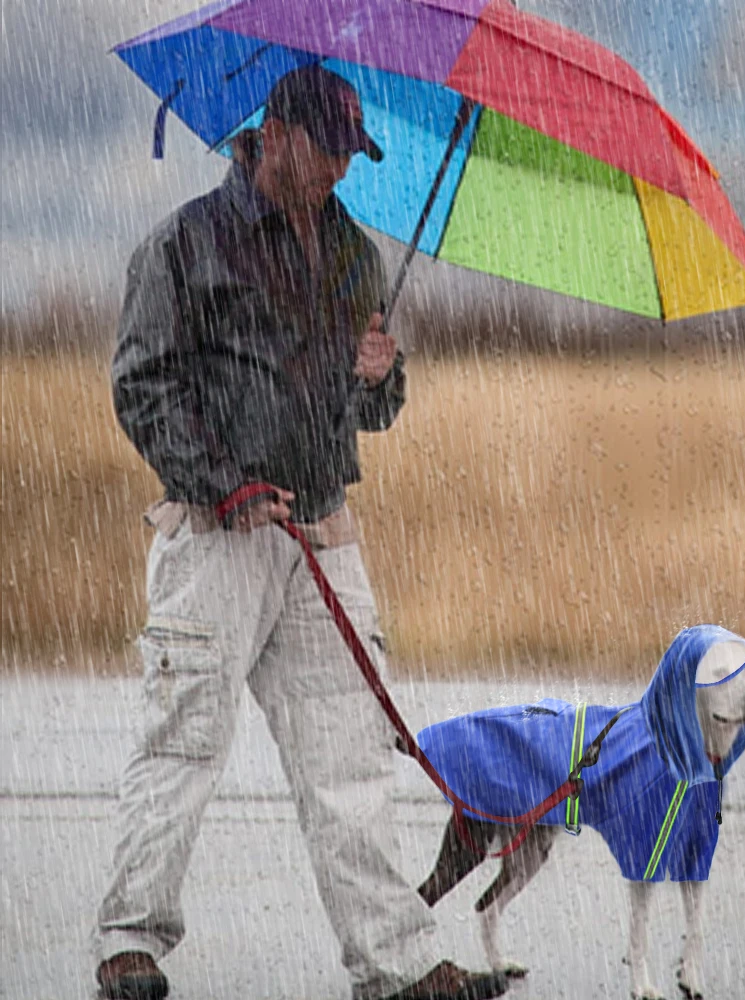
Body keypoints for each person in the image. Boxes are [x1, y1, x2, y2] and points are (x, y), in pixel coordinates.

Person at [93, 65, 508, 1000]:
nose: (338, 173)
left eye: (351, 157)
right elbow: (143, 383)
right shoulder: (186, 244)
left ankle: (399, 966)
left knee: (350, 763)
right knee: (183, 743)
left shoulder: (358, 255)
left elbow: (369, 411)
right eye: (326, 152)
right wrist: (224, 485)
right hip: (214, 538)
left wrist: (380, 374)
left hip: (323, 537)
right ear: (274, 133)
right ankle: (129, 946)